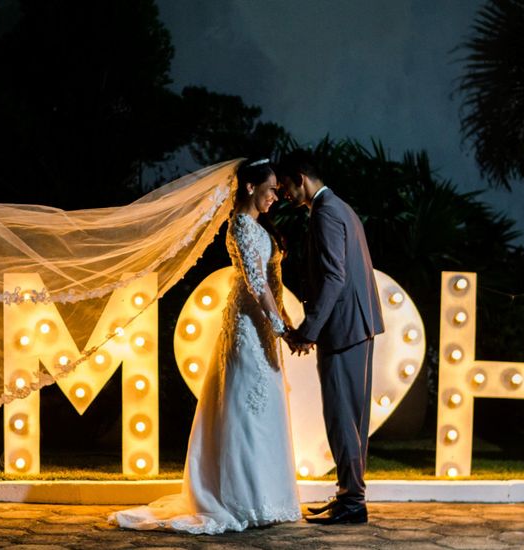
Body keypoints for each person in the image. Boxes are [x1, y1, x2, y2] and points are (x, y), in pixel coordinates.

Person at [109, 158, 301, 534]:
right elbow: (255, 283)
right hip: (247, 326)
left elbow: (273, 285)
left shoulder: (263, 229)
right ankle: (238, 498)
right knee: (243, 407)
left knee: (265, 408)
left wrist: (286, 323)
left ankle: (268, 496)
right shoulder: (240, 226)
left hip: (263, 329)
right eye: (271, 189)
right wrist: (279, 326)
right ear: (250, 187)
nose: (276, 196)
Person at [278, 149, 385, 525]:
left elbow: (334, 278)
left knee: (343, 418)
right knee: (351, 418)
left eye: (287, 185)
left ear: (302, 177)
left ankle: (353, 502)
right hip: (357, 325)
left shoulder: (325, 213)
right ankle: (348, 495)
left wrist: (310, 330)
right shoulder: (341, 207)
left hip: (343, 329)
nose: (284, 193)